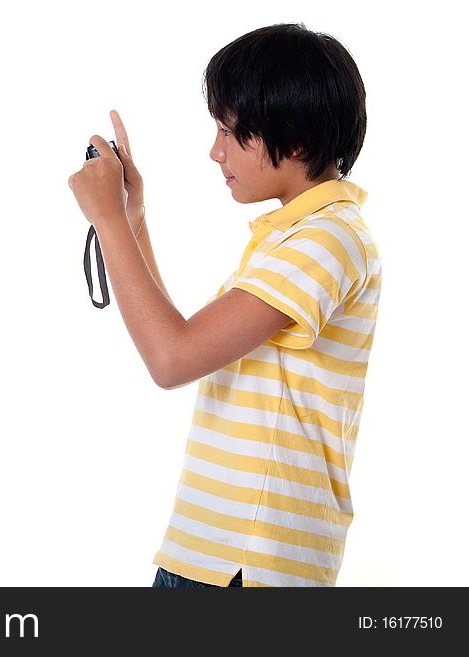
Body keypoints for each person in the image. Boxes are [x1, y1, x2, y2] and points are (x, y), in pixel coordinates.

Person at [68, 23, 380, 587]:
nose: (216, 151)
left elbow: (171, 358)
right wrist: (132, 221)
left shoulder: (327, 240)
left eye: (233, 132)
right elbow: (184, 339)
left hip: (245, 566)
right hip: (216, 556)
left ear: (297, 139)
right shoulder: (299, 235)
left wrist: (107, 221)